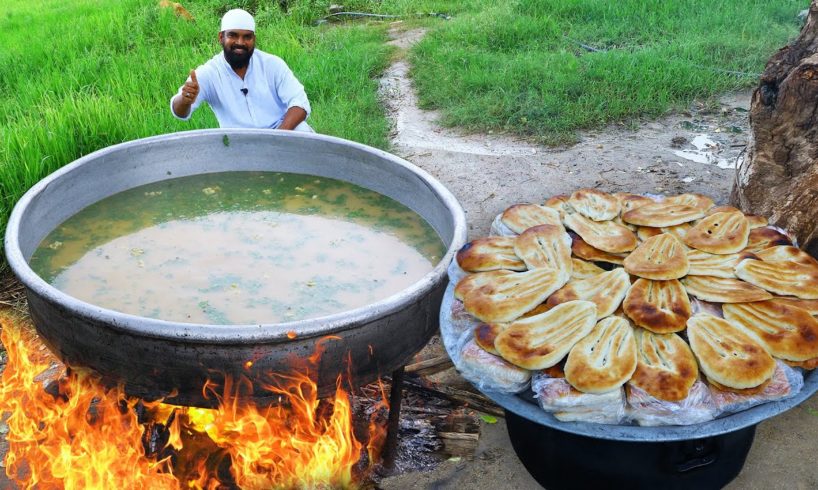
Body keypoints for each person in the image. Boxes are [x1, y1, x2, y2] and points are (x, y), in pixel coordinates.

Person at [170, 8, 313, 131]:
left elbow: (300, 103)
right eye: (233, 35)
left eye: (247, 37)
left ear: (254, 39)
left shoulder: (272, 64)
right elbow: (179, 112)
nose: (240, 42)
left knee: (302, 130)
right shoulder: (209, 73)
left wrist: (278, 137)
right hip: (239, 144)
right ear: (221, 37)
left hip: (281, 131)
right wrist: (185, 100)